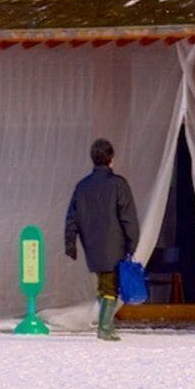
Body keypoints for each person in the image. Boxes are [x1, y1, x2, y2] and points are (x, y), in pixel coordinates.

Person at [64, 137, 141, 339]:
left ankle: (106, 325)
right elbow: (128, 218)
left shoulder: (82, 187)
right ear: (111, 159)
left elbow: (72, 218)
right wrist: (133, 242)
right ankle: (105, 328)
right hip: (114, 245)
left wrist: (70, 244)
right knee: (110, 287)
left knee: (104, 284)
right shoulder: (118, 185)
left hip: (91, 246)